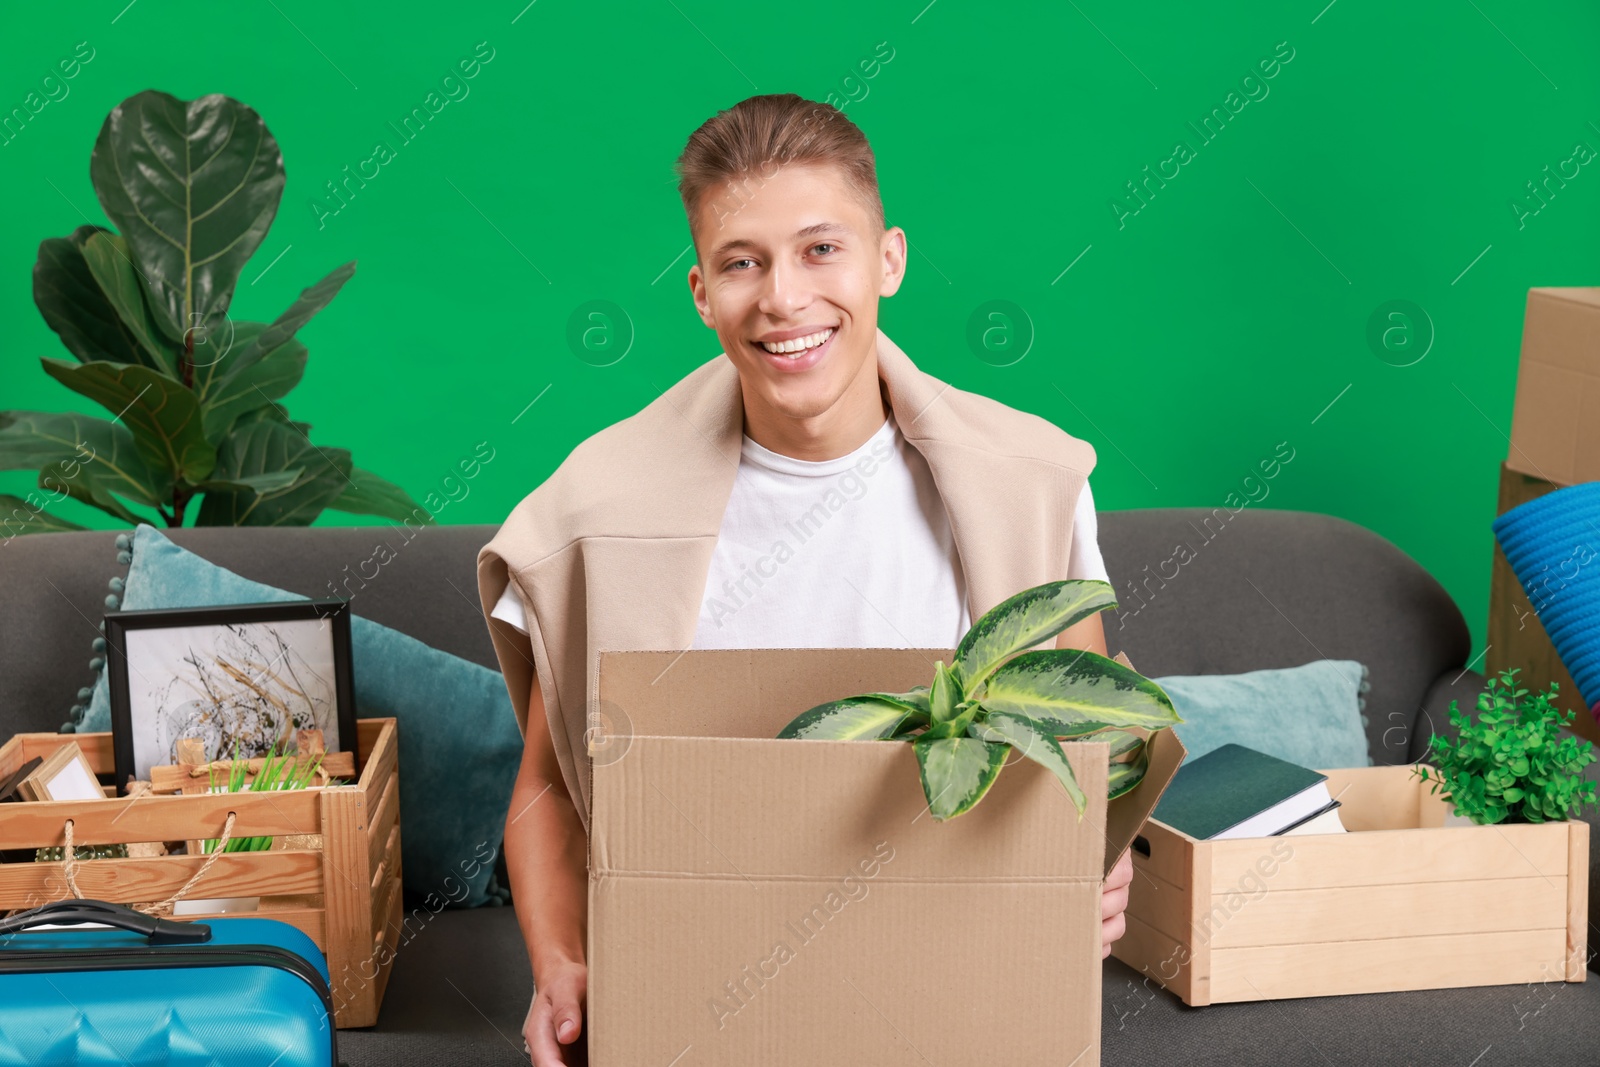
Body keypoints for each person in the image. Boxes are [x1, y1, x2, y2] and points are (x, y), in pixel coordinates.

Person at [478, 93, 1134, 1067]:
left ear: (888, 260)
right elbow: (545, 789)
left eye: (820, 249)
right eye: (743, 261)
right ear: (701, 290)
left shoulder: (1022, 483)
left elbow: (1095, 753)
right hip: (695, 1003)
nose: (782, 297)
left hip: (960, 994)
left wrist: (1094, 867)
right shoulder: (600, 510)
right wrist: (561, 962)